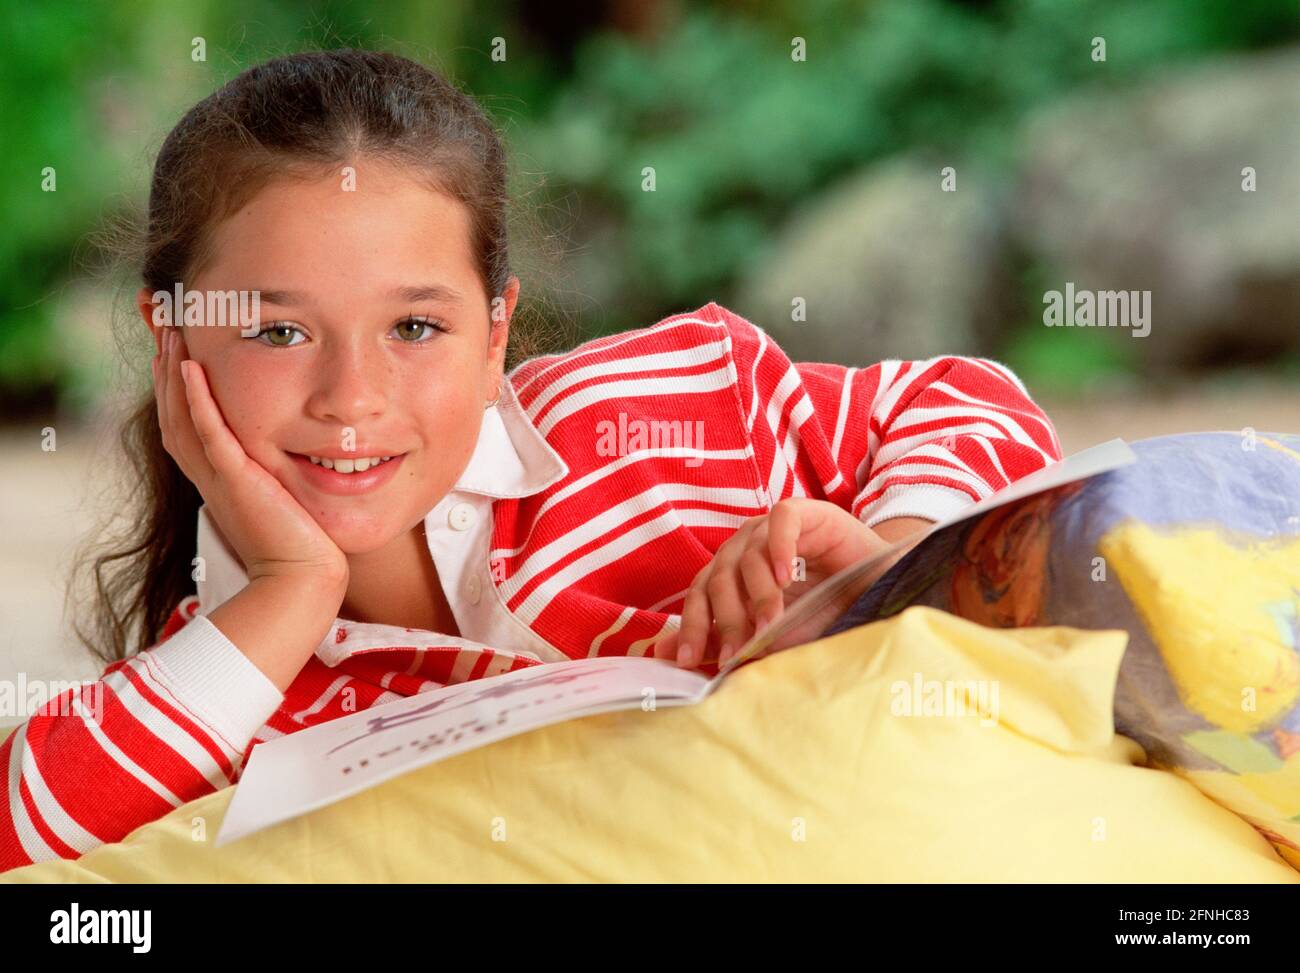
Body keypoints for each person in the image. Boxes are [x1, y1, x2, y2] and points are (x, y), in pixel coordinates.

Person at [0, 50, 1061, 872]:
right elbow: (23, 837)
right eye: (280, 332)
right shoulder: (223, 690)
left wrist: (897, 559)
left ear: (498, 329)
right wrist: (292, 587)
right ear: (171, 339)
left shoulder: (654, 407)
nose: (352, 399)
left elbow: (964, 399)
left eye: (415, 327)